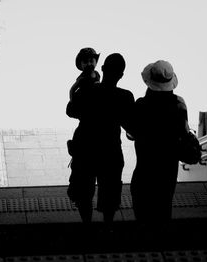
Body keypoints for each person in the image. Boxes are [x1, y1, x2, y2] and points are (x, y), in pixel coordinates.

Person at [66, 53, 135, 230]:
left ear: (102, 69)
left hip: (85, 148)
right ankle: (108, 226)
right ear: (121, 74)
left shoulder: (87, 90)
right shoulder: (125, 97)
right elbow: (131, 128)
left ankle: (87, 225)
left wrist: (77, 89)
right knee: (110, 192)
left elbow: (70, 111)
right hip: (110, 150)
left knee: (83, 192)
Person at [128, 60, 189, 231]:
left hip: (145, 167)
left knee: (142, 210)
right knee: (164, 208)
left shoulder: (141, 105)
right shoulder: (179, 104)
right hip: (168, 169)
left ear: (149, 82)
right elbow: (183, 133)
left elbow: (131, 133)